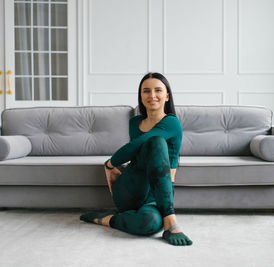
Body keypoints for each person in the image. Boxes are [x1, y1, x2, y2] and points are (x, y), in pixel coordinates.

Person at [80, 72, 193, 246]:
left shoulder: (171, 122)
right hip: (130, 187)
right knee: (154, 141)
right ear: (141, 96)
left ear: (167, 96)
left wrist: (110, 164)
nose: (152, 95)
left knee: (149, 224)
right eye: (146, 91)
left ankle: (106, 219)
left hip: (158, 195)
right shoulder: (135, 122)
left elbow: (141, 143)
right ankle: (171, 221)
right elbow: (136, 150)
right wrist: (110, 165)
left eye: (158, 90)